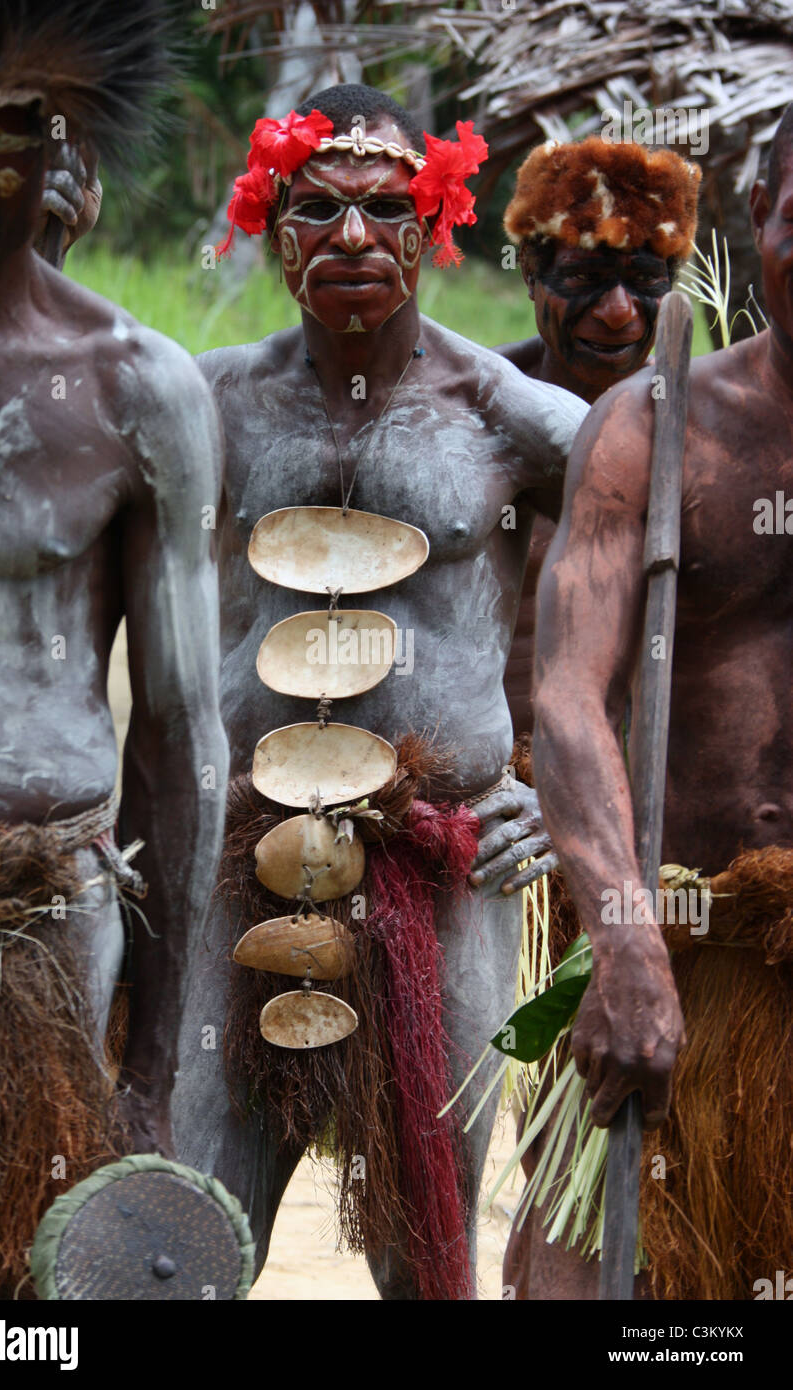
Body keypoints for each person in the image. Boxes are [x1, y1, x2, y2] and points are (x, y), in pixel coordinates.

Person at [166, 82, 589, 1300]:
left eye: (385, 209)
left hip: (443, 862)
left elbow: (655, 590)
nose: (351, 240)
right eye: (317, 209)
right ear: (269, 223)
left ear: (435, 222)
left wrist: (558, 794)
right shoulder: (203, 405)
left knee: (425, 1238)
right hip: (241, 856)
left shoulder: (511, 422)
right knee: (193, 1213)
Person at [0, 0, 226, 1297]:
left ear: (53, 152)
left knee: (21, 1299)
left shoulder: (133, 387)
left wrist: (152, 1071)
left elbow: (180, 733)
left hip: (40, 936)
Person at [524, 102, 793, 1299]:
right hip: (671, 946)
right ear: (758, 217)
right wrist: (624, 941)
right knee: (577, 1278)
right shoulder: (648, 424)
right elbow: (568, 696)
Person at [496, 138, 700, 738]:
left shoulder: (711, 430)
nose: (617, 311)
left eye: (643, 280)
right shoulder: (465, 412)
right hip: (479, 790)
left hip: (652, 787)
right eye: (584, 276)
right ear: (531, 276)